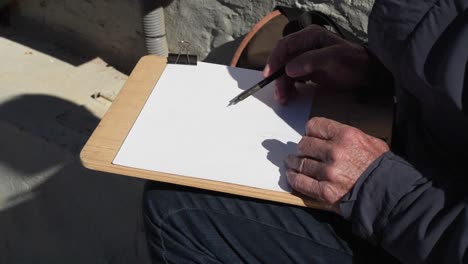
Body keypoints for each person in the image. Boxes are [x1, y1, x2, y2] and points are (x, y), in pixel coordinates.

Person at [143, 0, 468, 263]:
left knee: (177, 212)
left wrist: (381, 191)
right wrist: (377, 71)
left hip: (422, 228)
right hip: (418, 164)